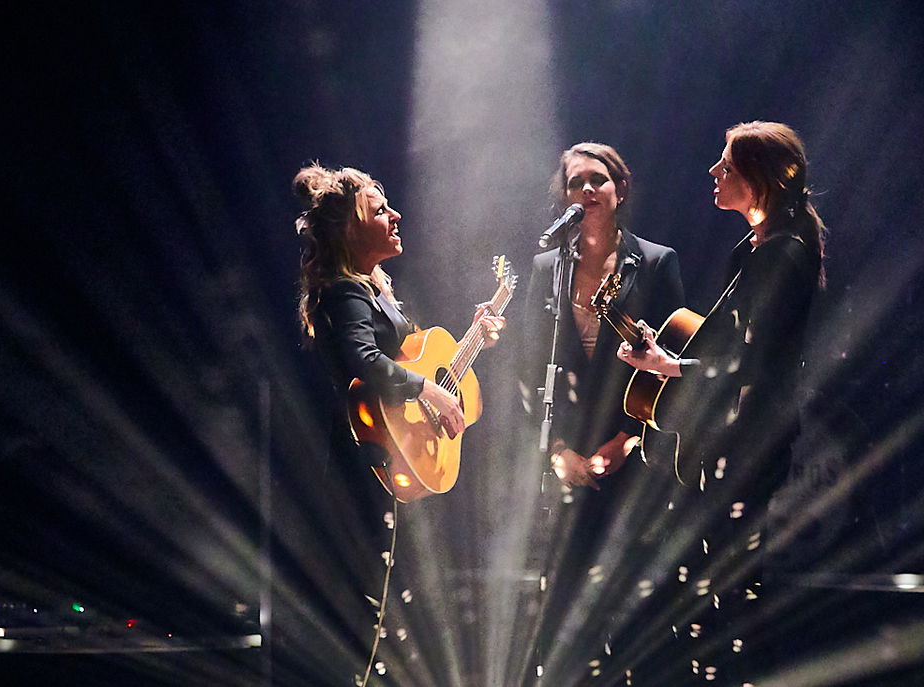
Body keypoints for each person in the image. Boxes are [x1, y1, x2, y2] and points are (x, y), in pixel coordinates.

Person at [616, 121, 826, 684]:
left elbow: (757, 363)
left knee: (733, 585)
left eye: (727, 166)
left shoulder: (785, 253)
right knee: (710, 580)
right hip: (725, 439)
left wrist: (671, 367)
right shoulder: (752, 249)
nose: (713, 172)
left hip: (750, 439)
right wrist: (667, 357)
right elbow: (724, 344)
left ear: (758, 181)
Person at [293, 163, 502, 682]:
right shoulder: (345, 293)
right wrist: (428, 388)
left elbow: (414, 359)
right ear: (350, 229)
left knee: (391, 609)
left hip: (394, 455)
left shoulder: (372, 290)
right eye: (379, 210)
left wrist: (472, 339)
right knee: (367, 608)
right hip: (363, 462)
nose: (395, 215)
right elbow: (367, 361)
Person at [513, 142, 687, 681]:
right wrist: (559, 451)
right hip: (565, 451)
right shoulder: (547, 267)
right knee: (559, 594)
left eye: (598, 180)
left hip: (636, 448)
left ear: (619, 189)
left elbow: (676, 362)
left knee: (632, 592)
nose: (587, 190)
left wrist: (628, 439)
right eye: (575, 183)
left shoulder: (656, 262)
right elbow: (526, 366)